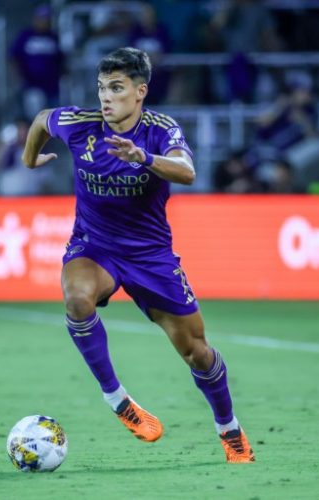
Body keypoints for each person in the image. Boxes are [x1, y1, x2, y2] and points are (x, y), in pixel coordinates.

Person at [22, 47, 255, 463]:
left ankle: (230, 429)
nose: (105, 97)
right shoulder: (80, 124)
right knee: (77, 299)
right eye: (101, 88)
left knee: (197, 352)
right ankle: (118, 400)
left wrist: (143, 158)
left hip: (151, 257)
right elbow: (41, 120)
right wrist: (30, 158)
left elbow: (187, 171)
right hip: (95, 246)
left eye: (116, 88)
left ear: (140, 91)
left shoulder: (160, 130)